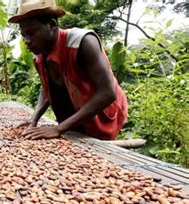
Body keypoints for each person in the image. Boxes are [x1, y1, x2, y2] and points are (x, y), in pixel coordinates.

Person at [10, 0, 127, 140]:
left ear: (52, 25)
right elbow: (46, 87)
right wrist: (34, 119)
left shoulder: (83, 42)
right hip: (76, 112)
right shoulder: (40, 55)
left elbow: (107, 93)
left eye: (32, 33)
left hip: (103, 114)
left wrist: (59, 128)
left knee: (98, 149)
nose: (27, 41)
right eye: (23, 35)